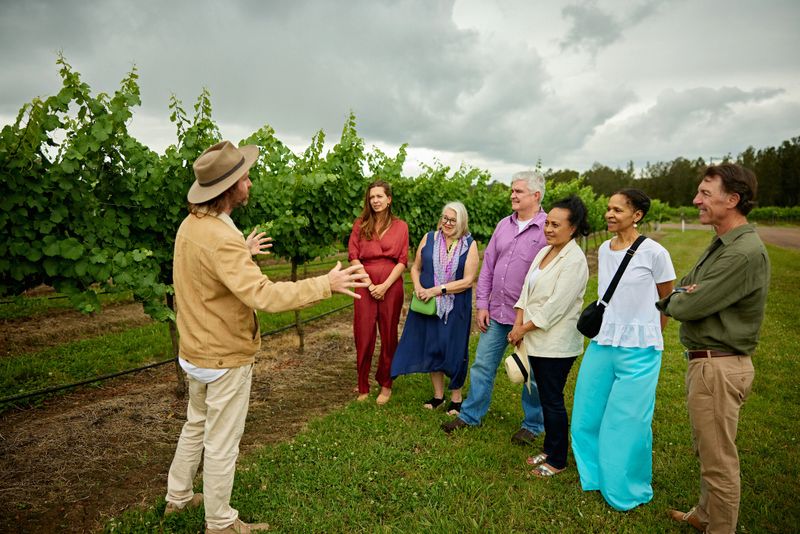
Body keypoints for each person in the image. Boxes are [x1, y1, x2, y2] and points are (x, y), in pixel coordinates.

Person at [164, 141, 367, 534]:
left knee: (195, 423)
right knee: (222, 440)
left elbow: (212, 273)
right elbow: (265, 295)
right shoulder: (220, 237)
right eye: (244, 176)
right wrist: (326, 283)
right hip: (223, 355)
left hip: (195, 348)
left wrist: (242, 252)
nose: (250, 182)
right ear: (228, 188)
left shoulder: (193, 225)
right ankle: (220, 523)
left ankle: (179, 496)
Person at [657, 164, 769, 534]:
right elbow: (685, 286)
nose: (696, 200)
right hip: (708, 365)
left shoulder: (742, 253)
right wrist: (683, 294)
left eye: (706, 194)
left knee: (719, 460)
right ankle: (705, 515)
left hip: (719, 368)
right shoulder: (724, 243)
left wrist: (681, 298)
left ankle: (719, 527)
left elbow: (686, 303)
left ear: (732, 200)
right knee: (708, 450)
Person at [570, 188, 676, 511]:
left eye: (617, 209)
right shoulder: (603, 248)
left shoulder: (655, 253)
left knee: (627, 422)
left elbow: (667, 300)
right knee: (586, 414)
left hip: (639, 348)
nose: (609, 214)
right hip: (603, 341)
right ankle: (595, 476)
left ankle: (625, 490)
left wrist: (651, 334)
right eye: (608, 208)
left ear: (637, 215)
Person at [442, 171, 546, 445]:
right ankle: (470, 416)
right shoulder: (503, 225)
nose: (512, 195)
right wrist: (482, 304)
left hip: (528, 318)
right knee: (482, 366)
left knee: (531, 374)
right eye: (512, 190)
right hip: (497, 313)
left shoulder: (547, 229)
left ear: (536, 195)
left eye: (519, 191)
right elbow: (488, 267)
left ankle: (533, 425)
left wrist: (526, 322)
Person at [507, 196, 590, 477]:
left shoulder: (575, 260)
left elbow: (555, 307)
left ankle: (557, 459)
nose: (549, 229)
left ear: (573, 228)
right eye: (548, 223)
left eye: (556, 225)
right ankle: (549, 447)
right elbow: (526, 292)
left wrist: (523, 329)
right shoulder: (545, 252)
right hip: (534, 338)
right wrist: (518, 319)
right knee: (544, 398)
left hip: (556, 345)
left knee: (552, 400)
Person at [391, 202, 479, 415]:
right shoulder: (429, 238)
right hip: (427, 305)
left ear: (461, 222)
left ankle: (456, 398)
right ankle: (438, 396)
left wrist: (437, 290)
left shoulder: (469, 244)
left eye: (452, 220)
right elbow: (415, 268)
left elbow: (468, 281)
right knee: (432, 346)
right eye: (444, 218)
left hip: (456, 306)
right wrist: (419, 286)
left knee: (454, 349)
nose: (447, 223)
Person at [348, 180, 409, 405]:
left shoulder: (401, 226)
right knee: (363, 335)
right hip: (364, 282)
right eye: (372, 197)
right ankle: (362, 385)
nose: (375, 200)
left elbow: (403, 260)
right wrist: (369, 283)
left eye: (380, 196)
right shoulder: (360, 224)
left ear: (389, 199)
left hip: (391, 284)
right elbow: (353, 255)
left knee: (388, 334)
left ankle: (386, 383)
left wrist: (384, 286)